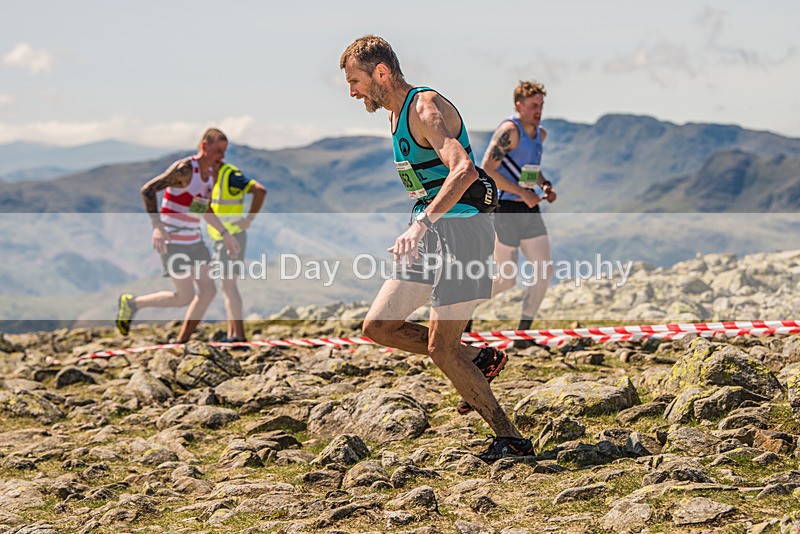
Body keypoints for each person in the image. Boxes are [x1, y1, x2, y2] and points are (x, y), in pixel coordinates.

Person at [340, 35, 533, 462]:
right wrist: (420, 224)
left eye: (355, 81)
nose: (352, 92)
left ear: (381, 73)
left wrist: (424, 222)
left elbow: (463, 169)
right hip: (429, 232)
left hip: (462, 232)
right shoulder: (392, 117)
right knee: (379, 326)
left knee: (439, 348)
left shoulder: (423, 108)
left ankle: (511, 439)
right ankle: (479, 359)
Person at [115, 128, 240, 343]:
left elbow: (202, 208)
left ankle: (181, 342)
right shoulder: (184, 170)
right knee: (184, 297)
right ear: (204, 146)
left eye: (224, 151)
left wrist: (225, 234)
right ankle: (133, 304)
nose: (222, 156)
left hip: (194, 239)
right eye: (218, 150)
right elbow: (148, 190)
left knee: (208, 291)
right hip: (172, 241)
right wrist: (157, 226)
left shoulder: (211, 175)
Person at [481, 80, 556, 348]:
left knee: (544, 271)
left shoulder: (540, 134)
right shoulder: (509, 132)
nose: (538, 110)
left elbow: (529, 168)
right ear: (519, 105)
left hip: (529, 209)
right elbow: (488, 169)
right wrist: (521, 192)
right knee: (506, 279)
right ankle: (463, 311)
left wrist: (543, 184)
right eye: (534, 105)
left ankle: (523, 335)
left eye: (541, 105)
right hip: (505, 210)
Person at [208, 162, 267, 343]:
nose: (221, 155)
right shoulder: (210, 176)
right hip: (221, 238)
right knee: (227, 286)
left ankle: (238, 336)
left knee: (228, 286)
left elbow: (260, 191)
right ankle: (233, 333)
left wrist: (249, 219)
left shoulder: (230, 175)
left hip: (232, 237)